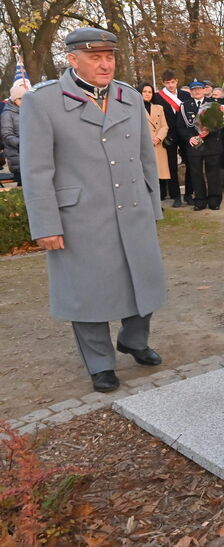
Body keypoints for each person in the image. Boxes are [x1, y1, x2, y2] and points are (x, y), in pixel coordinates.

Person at [20, 27, 165, 393]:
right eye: (95, 57)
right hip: (80, 215)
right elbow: (36, 169)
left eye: (110, 56)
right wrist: (45, 224)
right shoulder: (44, 101)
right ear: (72, 59)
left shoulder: (129, 97)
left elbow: (146, 157)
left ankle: (134, 339)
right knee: (88, 293)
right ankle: (100, 364)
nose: (105, 64)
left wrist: (152, 207)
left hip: (131, 208)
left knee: (143, 280)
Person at [175, 81, 224, 210]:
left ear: (204, 90)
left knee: (213, 173)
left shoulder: (213, 103)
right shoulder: (184, 106)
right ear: (190, 92)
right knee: (196, 174)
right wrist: (189, 138)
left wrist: (210, 129)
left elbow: (221, 123)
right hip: (194, 144)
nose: (196, 92)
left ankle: (214, 200)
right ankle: (200, 200)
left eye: (199, 89)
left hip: (212, 143)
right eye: (194, 90)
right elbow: (180, 126)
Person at [153, 70, 185, 207]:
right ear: (163, 83)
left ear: (177, 81)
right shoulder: (158, 97)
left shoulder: (185, 95)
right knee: (172, 166)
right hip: (169, 135)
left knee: (189, 163)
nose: (171, 85)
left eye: (173, 82)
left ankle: (189, 194)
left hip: (184, 134)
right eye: (167, 83)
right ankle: (176, 195)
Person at [140, 83, 170, 186]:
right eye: (144, 92)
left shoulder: (159, 108)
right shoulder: (135, 108)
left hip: (158, 144)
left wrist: (158, 137)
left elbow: (164, 126)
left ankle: (160, 197)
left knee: (159, 174)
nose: (147, 94)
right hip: (144, 144)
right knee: (146, 173)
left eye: (150, 92)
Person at [2, 81, 28, 186]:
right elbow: (6, 134)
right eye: (20, 99)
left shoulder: (28, 111)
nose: (23, 101)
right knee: (23, 187)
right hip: (17, 157)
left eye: (24, 98)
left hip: (30, 155)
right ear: (13, 100)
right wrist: (21, 143)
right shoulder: (7, 114)